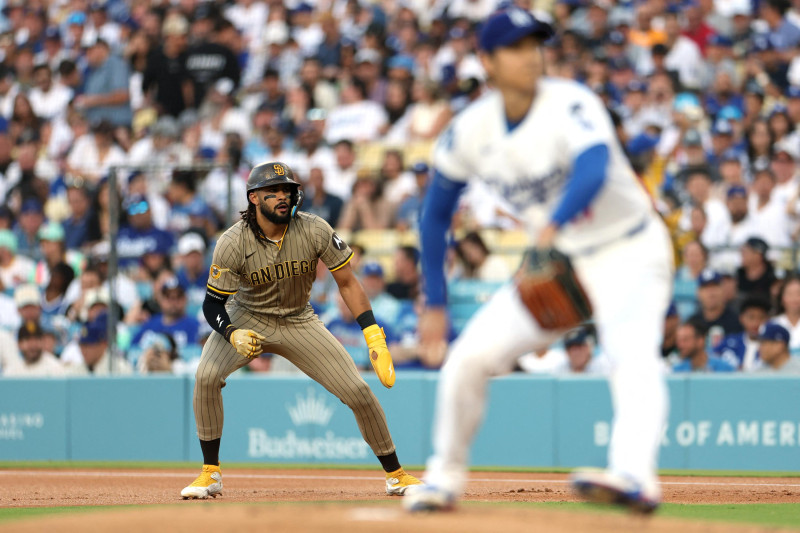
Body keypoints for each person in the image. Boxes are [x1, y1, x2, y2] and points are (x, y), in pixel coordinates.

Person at [403, 9, 673, 514]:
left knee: (630, 352)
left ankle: (636, 476)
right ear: (486, 60)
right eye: (516, 47)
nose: (531, 56)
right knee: (468, 359)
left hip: (630, 249)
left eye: (536, 44)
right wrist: (435, 301)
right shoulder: (471, 130)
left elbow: (592, 167)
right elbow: (435, 215)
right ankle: (444, 476)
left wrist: (555, 223)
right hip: (563, 261)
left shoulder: (571, 101)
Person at [180, 161, 420, 499]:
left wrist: (372, 334)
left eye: (287, 189)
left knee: (358, 391)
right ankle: (209, 473)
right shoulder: (232, 241)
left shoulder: (315, 228)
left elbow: (348, 283)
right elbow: (211, 304)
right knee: (205, 377)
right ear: (253, 198)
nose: (282, 196)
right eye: (273, 191)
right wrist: (232, 332)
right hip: (247, 317)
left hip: (298, 319)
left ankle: (396, 475)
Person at [713, 294, 771, 370]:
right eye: (751, 317)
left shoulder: (772, 347)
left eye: (761, 318)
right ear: (741, 318)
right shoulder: (728, 343)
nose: (756, 323)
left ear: (768, 320)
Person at [672, 318, 737, 372]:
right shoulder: (677, 371)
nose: (680, 345)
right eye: (679, 340)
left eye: (685, 340)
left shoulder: (723, 369)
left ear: (701, 340)